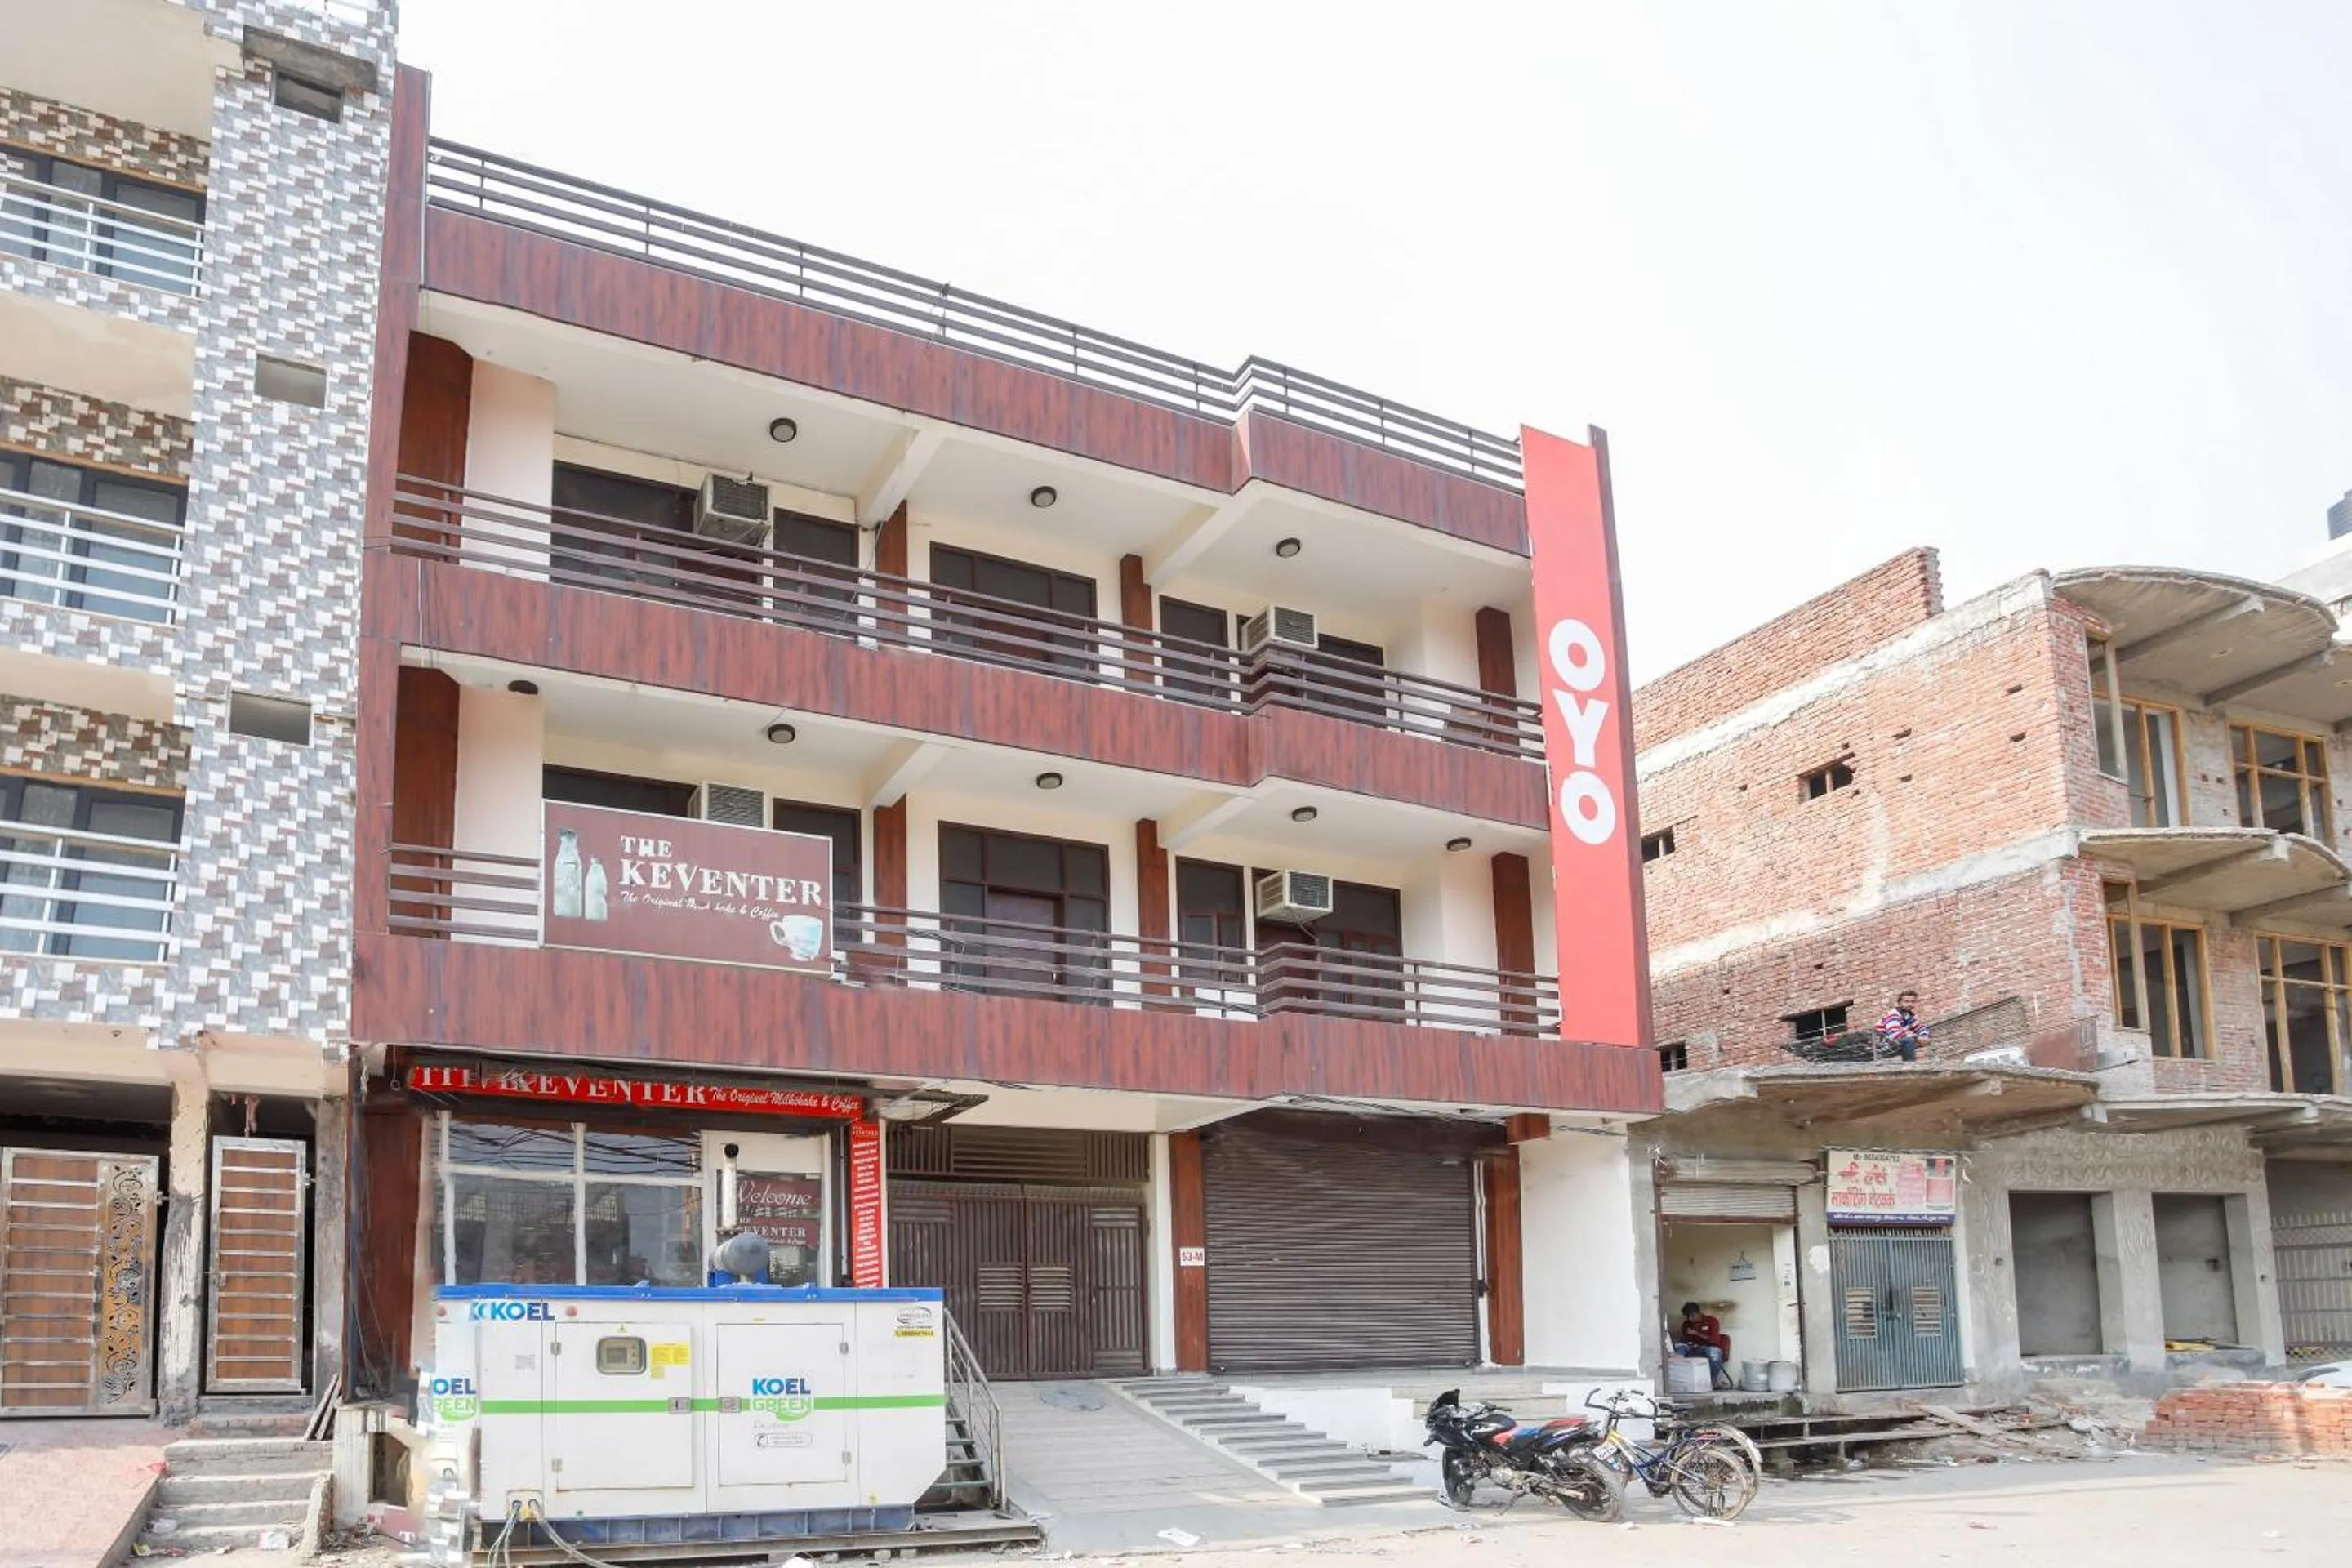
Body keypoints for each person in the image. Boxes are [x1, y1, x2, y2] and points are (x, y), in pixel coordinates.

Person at [1673, 1300, 1731, 1389]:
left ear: (1698, 1313)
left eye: (1692, 1316)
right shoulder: (1686, 1325)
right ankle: (1680, 1381)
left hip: (1707, 1349)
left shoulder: (1711, 1321)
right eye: (1688, 1316)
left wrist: (1696, 1333)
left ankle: (1712, 1380)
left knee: (1714, 1352)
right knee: (1679, 1348)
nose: (1690, 1319)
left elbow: (1714, 1341)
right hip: (1693, 1350)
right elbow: (1685, 1341)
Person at [1875, 989, 1931, 1062]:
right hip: (1881, 1045)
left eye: (1913, 1002)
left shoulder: (1908, 1016)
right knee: (1908, 1040)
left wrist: (1924, 1036)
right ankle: (1910, 1066)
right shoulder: (1893, 1015)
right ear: (1900, 1003)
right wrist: (1916, 1037)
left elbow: (1921, 1028)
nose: (1910, 1004)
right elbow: (1895, 1035)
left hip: (1892, 1044)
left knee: (1925, 1038)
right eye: (1906, 1002)